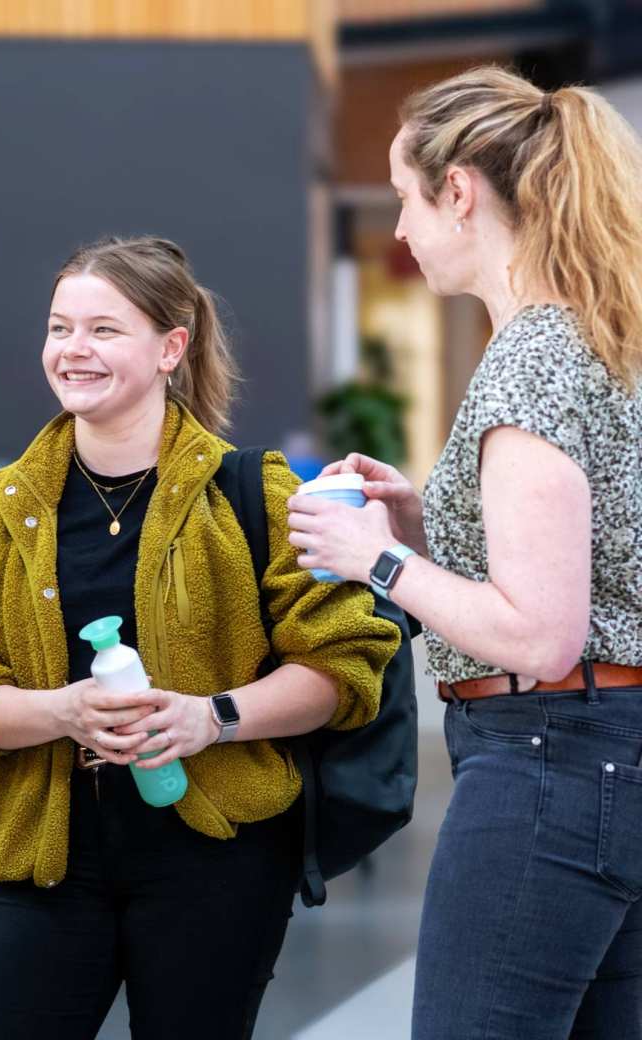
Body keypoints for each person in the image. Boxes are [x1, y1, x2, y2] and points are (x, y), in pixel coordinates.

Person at [0, 234, 399, 1040]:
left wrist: (213, 717)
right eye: (60, 328)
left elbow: (342, 669)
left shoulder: (256, 494)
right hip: (46, 851)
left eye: (104, 329)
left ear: (172, 347)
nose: (74, 350)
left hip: (220, 857)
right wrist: (61, 712)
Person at [287, 66, 642, 1040]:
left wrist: (376, 558)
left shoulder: (527, 359)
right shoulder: (594, 339)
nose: (398, 229)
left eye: (405, 196)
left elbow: (538, 634)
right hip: (605, 757)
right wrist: (424, 531)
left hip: (545, 765)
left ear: (458, 191)